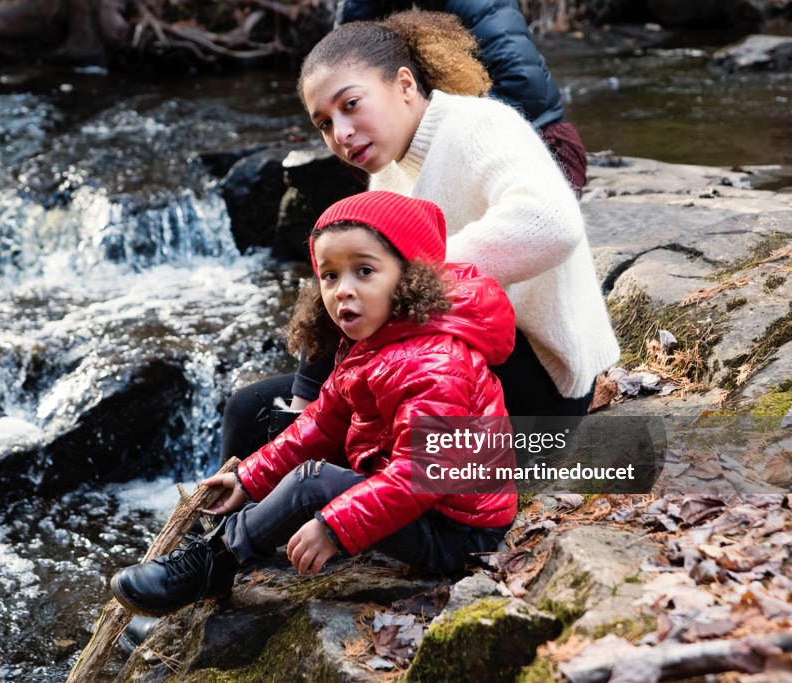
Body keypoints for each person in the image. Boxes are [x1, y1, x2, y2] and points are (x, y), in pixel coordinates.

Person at [220, 10, 619, 465]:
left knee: (350, 431)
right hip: (456, 358)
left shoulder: (480, 125)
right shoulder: (388, 170)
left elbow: (552, 222)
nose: (341, 134)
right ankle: (226, 525)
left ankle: (300, 482)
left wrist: (404, 279)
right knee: (247, 409)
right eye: (325, 123)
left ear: (405, 85)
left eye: (350, 105)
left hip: (538, 397)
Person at [111, 191, 518, 615]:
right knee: (306, 470)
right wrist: (249, 479)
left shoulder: (432, 362)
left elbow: (419, 476)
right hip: (420, 502)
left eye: (364, 271)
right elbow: (322, 424)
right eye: (329, 276)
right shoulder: (376, 341)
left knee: (313, 483)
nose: (343, 291)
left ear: (410, 277)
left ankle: (213, 566)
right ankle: (194, 588)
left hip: (459, 531)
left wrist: (336, 525)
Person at [334, 0, 588, 196]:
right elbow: (341, 69)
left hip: (543, 148)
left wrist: (437, 147)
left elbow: (524, 85)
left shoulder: (481, 7)